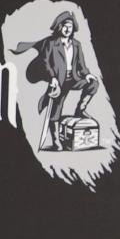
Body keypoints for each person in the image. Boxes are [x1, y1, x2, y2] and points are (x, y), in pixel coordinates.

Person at [9, 10, 100, 150]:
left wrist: (87, 74)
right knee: (56, 109)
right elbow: (46, 63)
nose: (67, 29)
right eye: (64, 25)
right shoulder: (51, 43)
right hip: (59, 80)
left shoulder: (77, 44)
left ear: (73, 28)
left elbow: (81, 64)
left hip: (74, 78)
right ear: (59, 26)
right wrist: (52, 78)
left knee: (93, 83)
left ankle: (80, 109)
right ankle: (56, 141)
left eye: (70, 26)